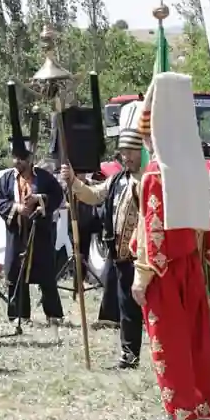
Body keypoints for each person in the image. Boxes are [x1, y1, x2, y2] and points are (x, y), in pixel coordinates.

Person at [129, 72, 210, 420]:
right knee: (196, 339)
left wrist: (142, 276)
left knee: (171, 341)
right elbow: (205, 228)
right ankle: (204, 406)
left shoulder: (155, 173)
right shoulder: (195, 168)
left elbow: (154, 233)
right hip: (193, 267)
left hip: (164, 272)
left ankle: (181, 412)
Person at [60, 123, 146, 368]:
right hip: (120, 254)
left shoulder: (147, 181)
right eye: (123, 152)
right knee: (126, 307)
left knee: (145, 309)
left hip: (141, 257)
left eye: (131, 151)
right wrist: (74, 182)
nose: (127, 157)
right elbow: (94, 195)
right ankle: (129, 355)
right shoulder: (117, 180)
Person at [0, 140, 65, 332]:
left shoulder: (44, 177)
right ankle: (19, 314)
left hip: (40, 232)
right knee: (16, 273)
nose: (17, 161)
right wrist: (17, 208)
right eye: (15, 157)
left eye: (21, 158)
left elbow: (57, 195)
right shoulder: (7, 179)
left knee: (46, 273)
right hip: (17, 233)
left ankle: (54, 315)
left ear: (30, 159)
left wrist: (39, 199)